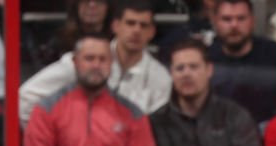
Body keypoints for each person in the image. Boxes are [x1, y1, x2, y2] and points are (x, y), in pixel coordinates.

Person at [23, 33, 157, 146]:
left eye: (103, 59)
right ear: (75, 62)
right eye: (89, 59)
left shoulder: (132, 114)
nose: (96, 65)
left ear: (111, 64)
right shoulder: (46, 109)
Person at [148, 38, 263, 146]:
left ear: (209, 70)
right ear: (171, 73)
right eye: (180, 68)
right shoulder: (154, 123)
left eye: (194, 67)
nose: (186, 74)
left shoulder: (236, 116)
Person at [19, 0, 171, 127]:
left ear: (152, 32)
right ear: (116, 26)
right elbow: (26, 98)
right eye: (130, 23)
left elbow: (155, 132)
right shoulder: (83, 60)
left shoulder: (161, 77)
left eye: (143, 25)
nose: (136, 31)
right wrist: (49, 141)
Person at [208, 0, 276, 124]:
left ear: (252, 21)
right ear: (215, 22)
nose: (234, 25)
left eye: (241, 18)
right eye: (226, 19)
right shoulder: (204, 59)